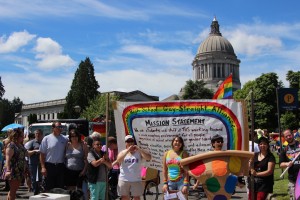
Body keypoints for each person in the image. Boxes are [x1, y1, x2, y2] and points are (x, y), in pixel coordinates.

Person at [113, 135, 151, 200]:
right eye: (128, 141)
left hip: (136, 179)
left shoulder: (139, 153)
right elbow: (119, 160)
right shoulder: (122, 152)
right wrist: (128, 151)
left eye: (131, 141)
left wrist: (139, 149)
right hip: (124, 179)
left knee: (136, 197)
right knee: (124, 197)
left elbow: (148, 158)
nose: (130, 143)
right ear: (125, 143)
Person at [39, 121, 68, 191]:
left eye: (61, 127)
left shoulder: (65, 139)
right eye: (58, 127)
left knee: (60, 188)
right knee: (49, 187)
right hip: (49, 166)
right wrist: (43, 167)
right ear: (53, 128)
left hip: (60, 166)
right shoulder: (46, 138)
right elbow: (42, 154)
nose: (60, 129)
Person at [4, 128, 27, 200]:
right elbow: (8, 159)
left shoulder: (20, 145)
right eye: (22, 136)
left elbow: (27, 153)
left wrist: (37, 151)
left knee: (13, 190)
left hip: (19, 170)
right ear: (17, 136)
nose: (24, 137)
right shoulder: (11, 146)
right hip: (13, 171)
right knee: (13, 191)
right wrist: (8, 171)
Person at [279, 129, 300, 200]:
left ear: (293, 135)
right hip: (293, 180)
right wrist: (287, 163)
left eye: (289, 135)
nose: (288, 137)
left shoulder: (299, 144)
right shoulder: (284, 149)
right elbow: (281, 164)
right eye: (286, 136)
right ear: (284, 138)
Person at [25, 129, 43, 195]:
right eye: (36, 133)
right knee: (34, 177)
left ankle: (41, 190)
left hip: (42, 163)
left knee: (42, 177)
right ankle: (35, 191)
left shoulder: (44, 142)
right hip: (33, 163)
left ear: (42, 135)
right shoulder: (32, 142)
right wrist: (34, 151)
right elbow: (27, 153)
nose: (37, 135)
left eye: (39, 134)